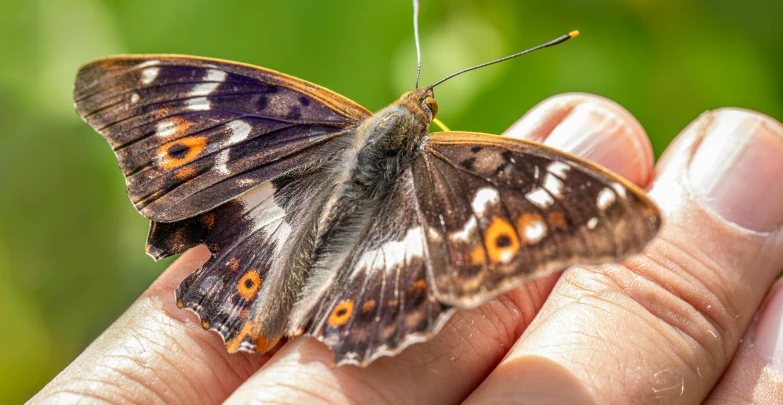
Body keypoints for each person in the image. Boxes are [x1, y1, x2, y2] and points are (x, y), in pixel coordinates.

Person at [31, 93, 783, 404]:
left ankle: (268, 300)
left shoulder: (291, 113)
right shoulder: (474, 163)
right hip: (321, 243)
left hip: (270, 227)